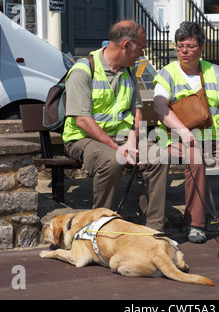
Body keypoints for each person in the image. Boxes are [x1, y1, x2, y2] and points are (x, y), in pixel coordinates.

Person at [63, 20, 168, 231]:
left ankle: (152, 230)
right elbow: (82, 120)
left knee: (159, 156)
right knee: (113, 160)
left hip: (121, 138)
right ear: (127, 45)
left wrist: (132, 138)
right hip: (82, 138)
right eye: (141, 48)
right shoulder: (83, 70)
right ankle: (98, 227)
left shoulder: (129, 71)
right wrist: (118, 148)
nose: (142, 54)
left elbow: (136, 110)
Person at [153, 21, 219, 243]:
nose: (184, 51)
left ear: (201, 48)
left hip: (211, 136)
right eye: (180, 46)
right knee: (195, 159)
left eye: (189, 46)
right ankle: (195, 224)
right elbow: (160, 108)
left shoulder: (215, 72)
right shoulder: (167, 73)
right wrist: (183, 132)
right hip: (174, 137)